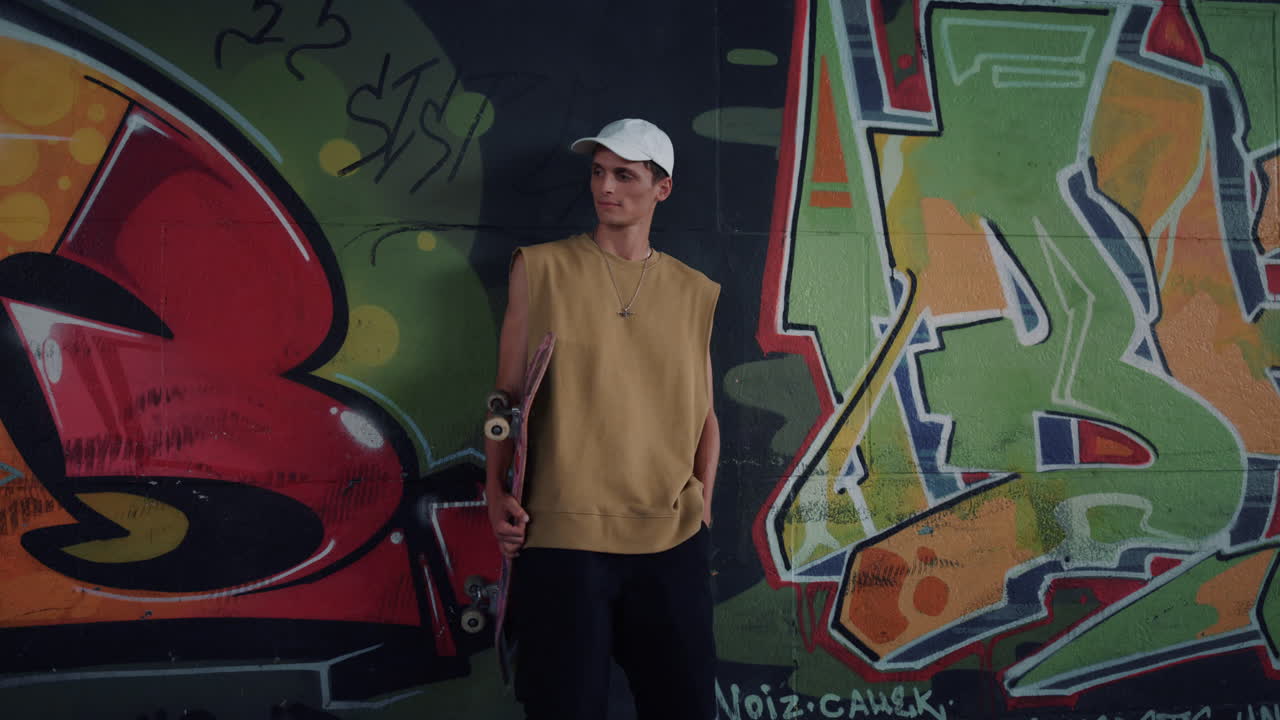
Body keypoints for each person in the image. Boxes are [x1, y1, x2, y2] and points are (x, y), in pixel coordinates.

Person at [485, 118, 720, 720]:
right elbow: (504, 398)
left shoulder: (695, 291)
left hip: (670, 540)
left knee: (684, 707)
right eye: (597, 172)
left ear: (661, 188)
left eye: (624, 174)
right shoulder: (540, 269)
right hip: (563, 538)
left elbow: (704, 412)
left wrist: (703, 501)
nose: (605, 187)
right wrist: (494, 491)